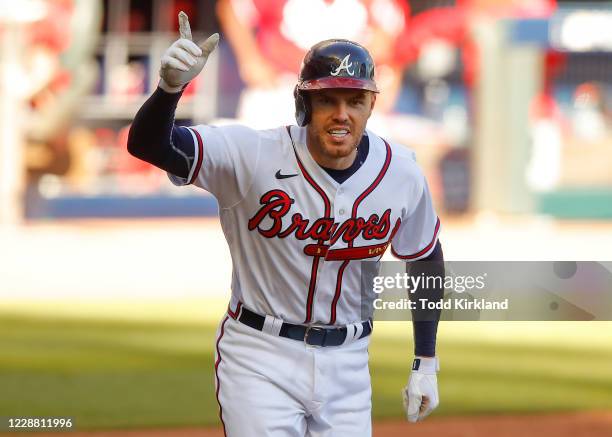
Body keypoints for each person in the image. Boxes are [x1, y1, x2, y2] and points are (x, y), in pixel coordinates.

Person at [128, 12, 444, 437]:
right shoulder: (250, 154)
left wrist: (426, 360)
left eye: (354, 100)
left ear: (372, 103)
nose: (342, 114)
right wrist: (169, 90)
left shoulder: (401, 172)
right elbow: (148, 144)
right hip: (261, 357)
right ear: (303, 104)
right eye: (327, 99)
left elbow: (425, 258)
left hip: (350, 364)